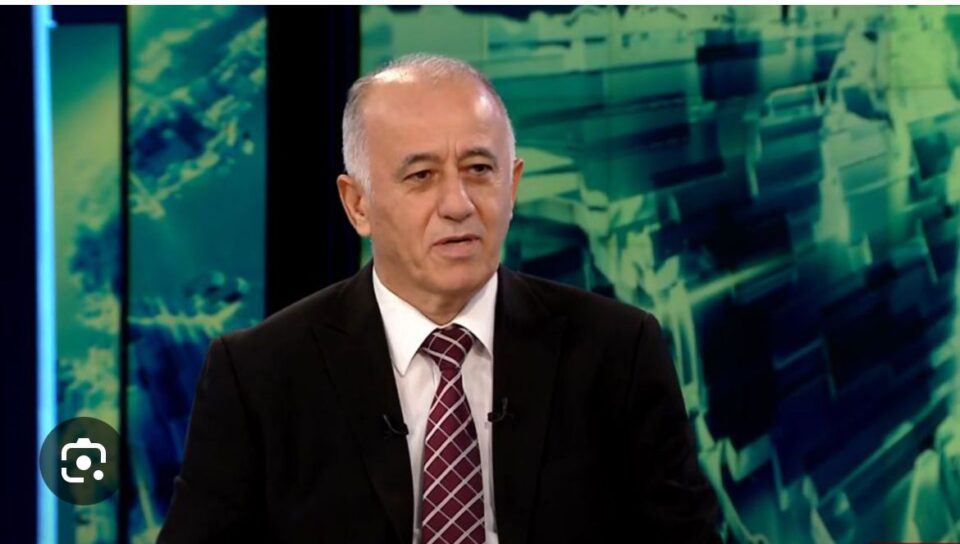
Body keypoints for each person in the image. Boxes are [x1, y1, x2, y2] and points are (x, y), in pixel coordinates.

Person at [159, 53, 720, 544]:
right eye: (421, 176)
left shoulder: (618, 350)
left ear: (512, 185)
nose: (458, 204)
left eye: (479, 170)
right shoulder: (257, 376)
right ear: (357, 204)